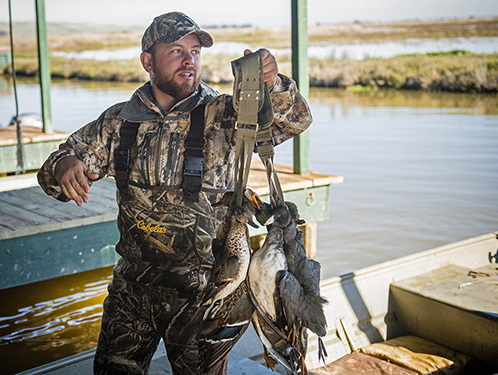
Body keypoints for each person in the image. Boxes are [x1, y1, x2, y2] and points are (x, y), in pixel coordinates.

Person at [38, 11, 312, 375]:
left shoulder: (224, 115)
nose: (189, 60)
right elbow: (54, 173)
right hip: (133, 291)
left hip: (206, 295)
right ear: (147, 61)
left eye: (195, 51)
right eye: (177, 50)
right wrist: (64, 166)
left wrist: (273, 83)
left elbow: (295, 120)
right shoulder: (118, 122)